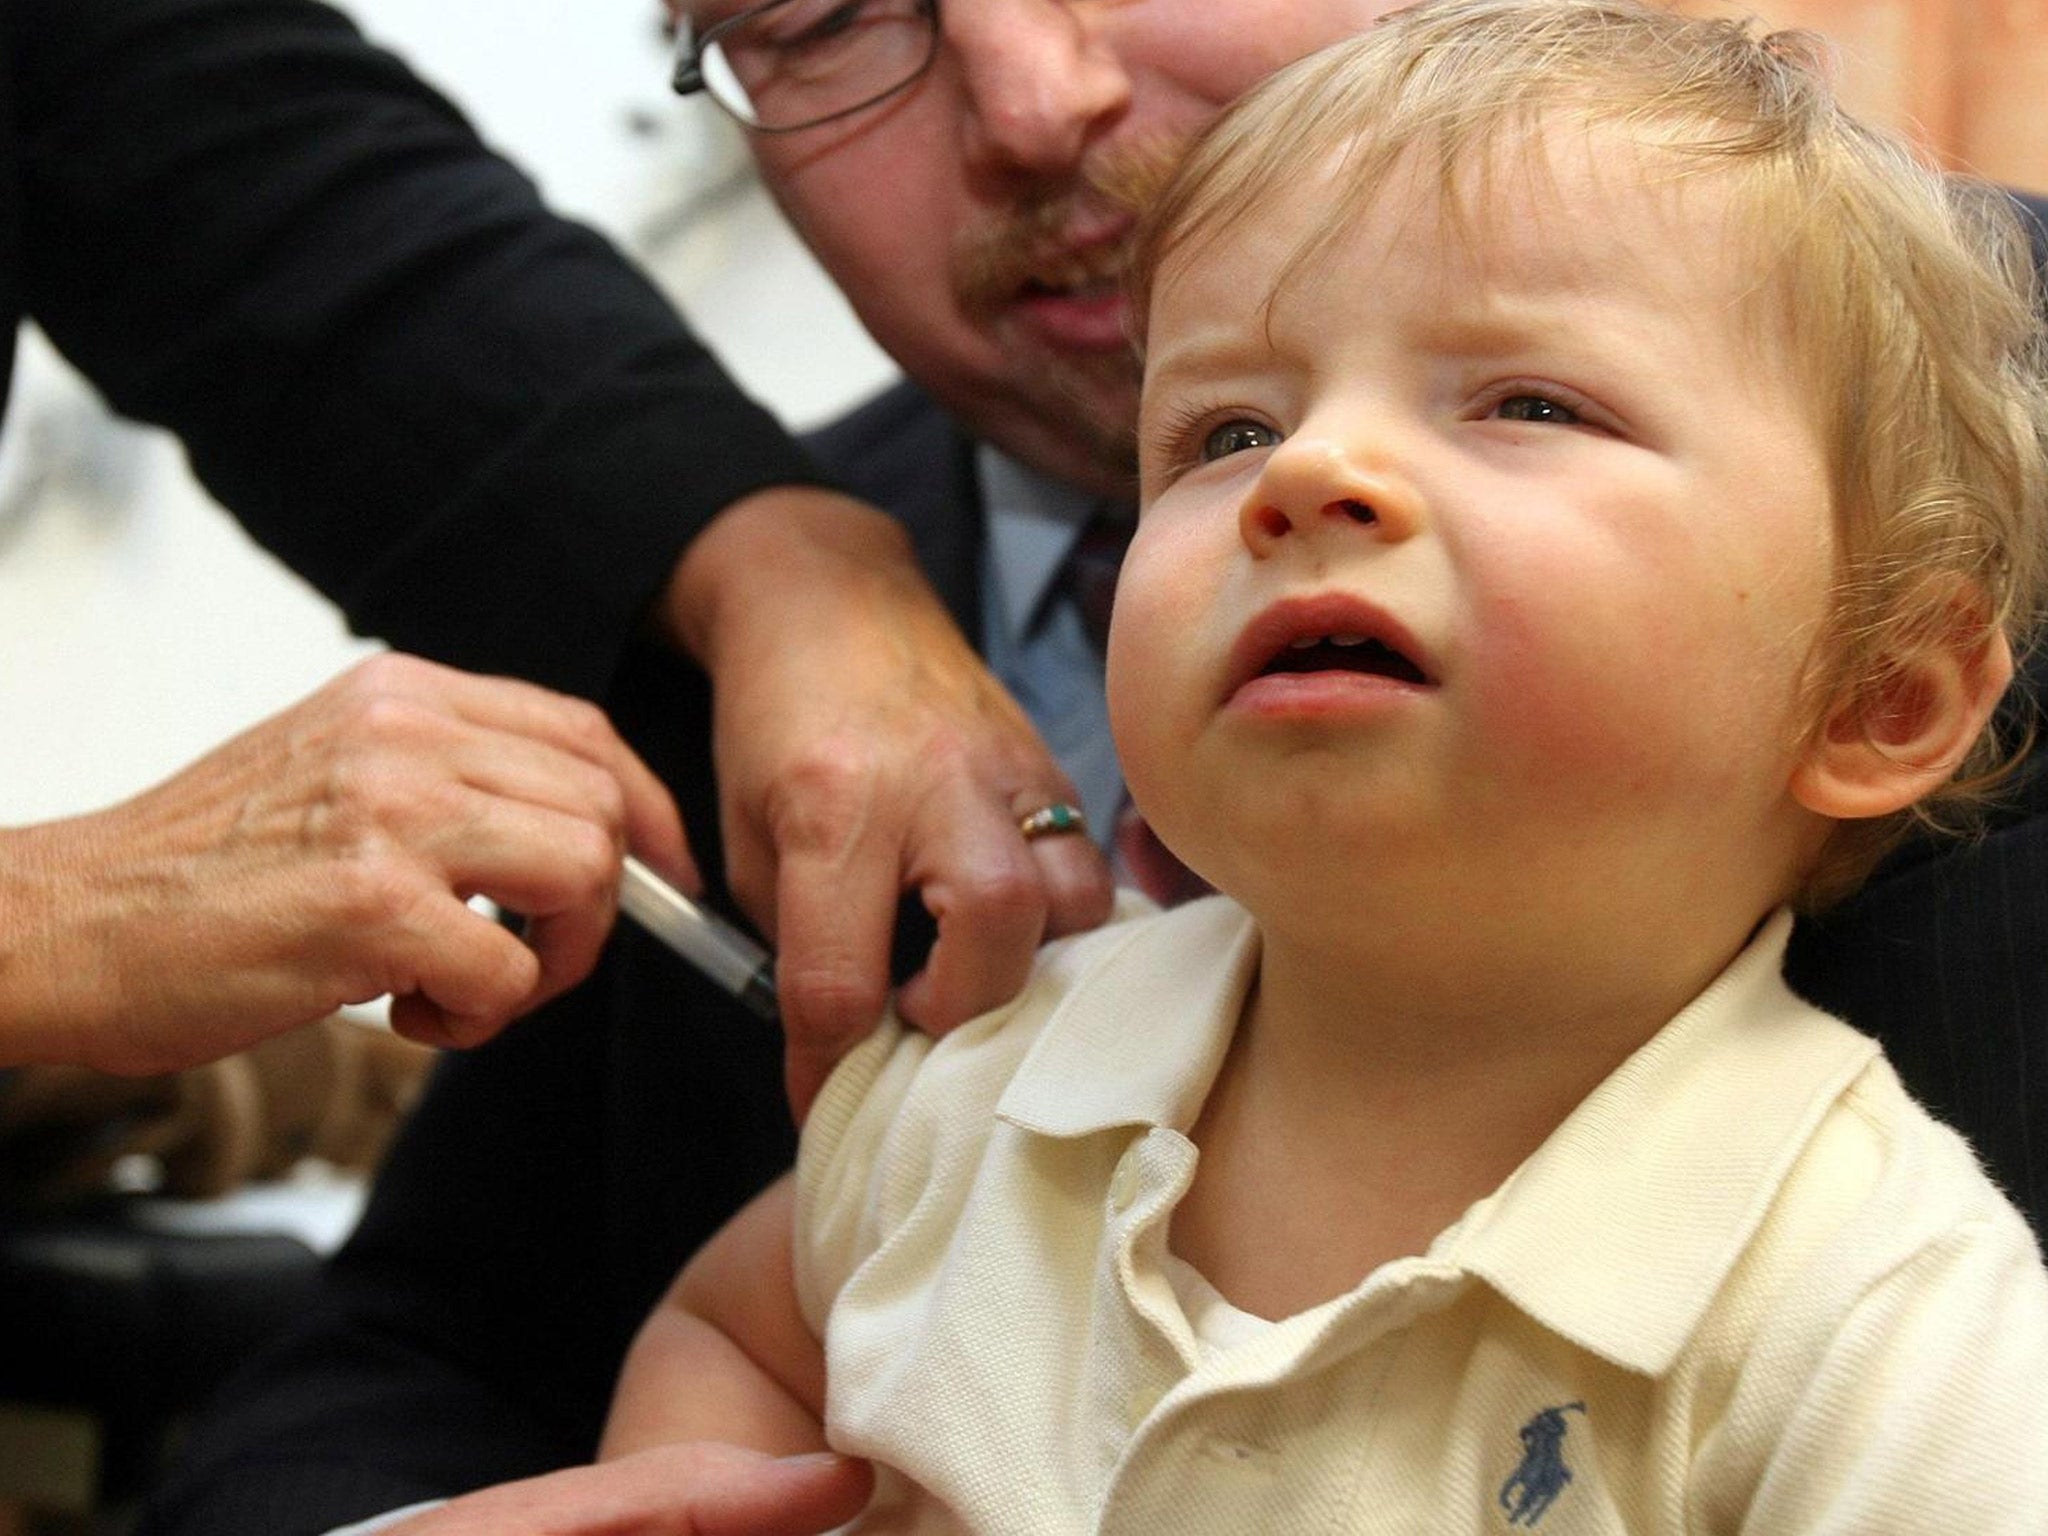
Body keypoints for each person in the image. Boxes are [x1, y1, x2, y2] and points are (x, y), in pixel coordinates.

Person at [141, 0, 2048, 1529]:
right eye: (1218, 428)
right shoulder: (975, 1075)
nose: (1307, 475)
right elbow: (644, 1327)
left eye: (1527, 403)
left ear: (1888, 690)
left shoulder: (1885, 1328)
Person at [0, 0, 1107, 1081]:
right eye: (819, 24)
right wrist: (44, 924)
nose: (1032, 109)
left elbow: (223, 157)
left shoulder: (762, 636)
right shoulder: (674, 766)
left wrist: (788, 562)